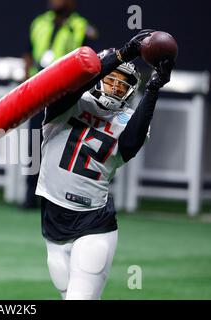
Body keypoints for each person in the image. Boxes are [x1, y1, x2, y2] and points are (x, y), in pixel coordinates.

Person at [35, 30, 175, 299]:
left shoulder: (128, 121)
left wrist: (154, 88)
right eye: (111, 80)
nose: (115, 88)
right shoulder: (69, 104)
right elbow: (70, 86)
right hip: (53, 224)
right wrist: (120, 55)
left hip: (93, 223)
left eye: (122, 84)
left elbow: (131, 145)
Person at [22, 0, 98, 209]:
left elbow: (89, 62)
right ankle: (30, 195)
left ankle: (56, 199)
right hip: (37, 93)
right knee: (34, 144)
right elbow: (28, 53)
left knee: (60, 145)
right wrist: (25, 82)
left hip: (64, 96)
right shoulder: (39, 22)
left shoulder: (82, 26)